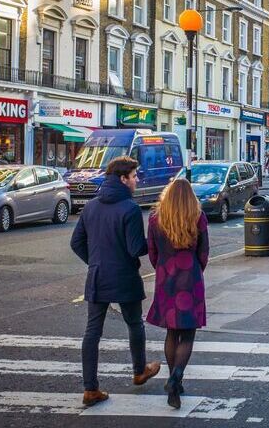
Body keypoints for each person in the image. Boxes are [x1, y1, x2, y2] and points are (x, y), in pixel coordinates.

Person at [70, 156, 161, 407]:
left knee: (92, 332)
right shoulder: (130, 208)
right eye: (134, 176)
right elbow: (135, 249)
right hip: (124, 276)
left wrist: (96, 261)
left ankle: (90, 389)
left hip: (98, 276)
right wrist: (154, 240)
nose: (137, 180)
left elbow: (76, 242)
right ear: (123, 179)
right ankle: (139, 370)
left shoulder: (91, 206)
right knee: (134, 323)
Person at [146, 178, 210, 409]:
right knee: (188, 335)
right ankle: (176, 378)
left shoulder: (156, 218)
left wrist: (162, 267)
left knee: (172, 333)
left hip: (166, 276)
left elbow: (151, 252)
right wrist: (196, 270)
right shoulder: (197, 216)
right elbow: (204, 252)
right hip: (190, 277)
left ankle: (173, 378)